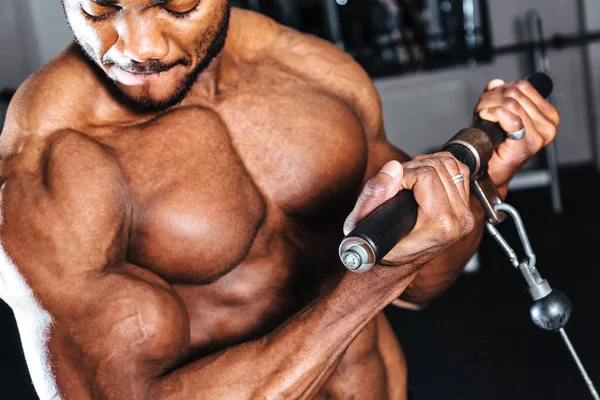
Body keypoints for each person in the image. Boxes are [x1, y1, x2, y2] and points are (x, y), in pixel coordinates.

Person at [0, 2, 559, 399]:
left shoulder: (316, 75)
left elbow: (421, 288)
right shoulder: (51, 158)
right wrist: (373, 284)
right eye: (100, 6)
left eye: (175, 3)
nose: (138, 45)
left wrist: (488, 182)